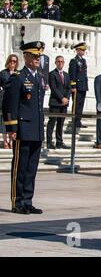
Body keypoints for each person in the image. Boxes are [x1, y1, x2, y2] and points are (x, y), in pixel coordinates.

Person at [3, 41, 45, 214]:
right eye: (34, 56)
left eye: (39, 56)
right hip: (23, 128)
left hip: (35, 128)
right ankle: (17, 202)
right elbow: (9, 104)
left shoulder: (39, 77)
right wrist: (11, 128)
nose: (37, 59)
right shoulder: (18, 77)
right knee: (20, 167)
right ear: (26, 57)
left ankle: (28, 200)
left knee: (31, 168)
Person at [46, 56, 71, 149]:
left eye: (61, 61)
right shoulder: (52, 74)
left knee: (61, 123)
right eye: (58, 61)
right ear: (55, 62)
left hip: (64, 103)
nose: (60, 63)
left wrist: (67, 99)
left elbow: (69, 88)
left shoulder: (67, 75)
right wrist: (62, 98)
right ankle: (49, 142)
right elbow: (54, 88)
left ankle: (59, 142)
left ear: (64, 63)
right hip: (55, 102)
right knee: (52, 122)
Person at [0, 54, 20, 148]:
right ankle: (5, 141)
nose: (12, 63)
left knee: (12, 120)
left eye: (14, 61)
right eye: (11, 61)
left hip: (14, 101)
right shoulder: (3, 73)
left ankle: (11, 141)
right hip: (4, 99)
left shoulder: (18, 73)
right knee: (4, 120)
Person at [69, 42, 88, 128]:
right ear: (77, 50)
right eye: (82, 50)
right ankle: (74, 121)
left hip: (83, 86)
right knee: (76, 105)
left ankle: (78, 121)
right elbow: (72, 74)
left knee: (81, 105)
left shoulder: (83, 61)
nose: (83, 51)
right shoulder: (74, 61)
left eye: (84, 50)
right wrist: (73, 86)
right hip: (77, 87)